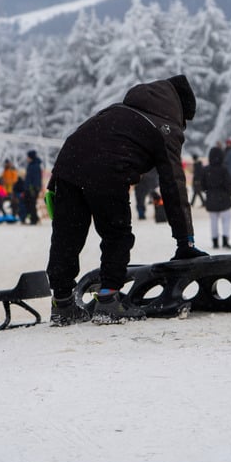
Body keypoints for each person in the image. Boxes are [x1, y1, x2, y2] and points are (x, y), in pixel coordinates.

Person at [46, 74, 207, 326]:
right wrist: (185, 241)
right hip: (106, 169)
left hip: (68, 163)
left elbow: (78, 138)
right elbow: (173, 185)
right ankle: (108, 301)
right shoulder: (164, 127)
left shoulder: (117, 111)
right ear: (180, 111)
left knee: (68, 235)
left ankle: (62, 304)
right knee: (116, 233)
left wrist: (54, 182)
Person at [202, 146, 231, 250]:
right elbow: (228, 184)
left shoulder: (206, 170)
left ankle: (215, 241)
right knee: (226, 220)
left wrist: (209, 192)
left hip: (211, 198)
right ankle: (225, 240)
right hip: (223, 198)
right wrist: (229, 193)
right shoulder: (224, 169)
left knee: (213, 221)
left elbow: (203, 185)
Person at [24, 150, 43, 225]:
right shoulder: (31, 165)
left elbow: (36, 178)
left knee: (32, 204)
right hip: (29, 188)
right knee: (30, 203)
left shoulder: (35, 165)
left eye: (28, 157)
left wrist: (34, 188)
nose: (27, 158)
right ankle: (35, 217)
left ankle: (34, 219)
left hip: (33, 188)